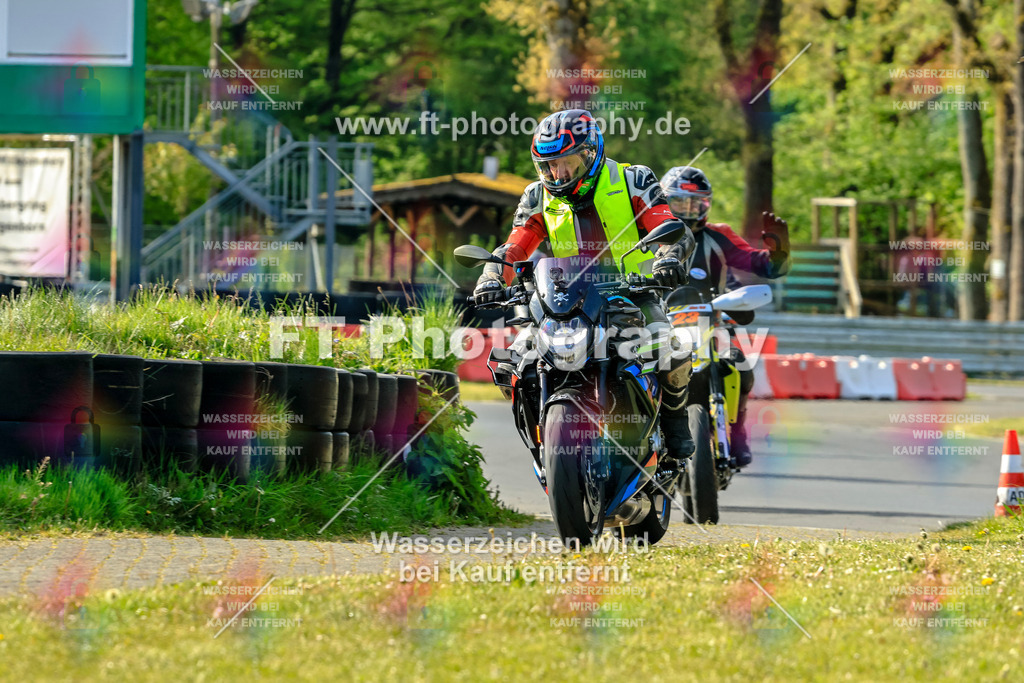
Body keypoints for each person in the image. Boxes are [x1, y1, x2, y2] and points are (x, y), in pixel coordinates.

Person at [474, 109, 697, 462]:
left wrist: (668, 258)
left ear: (591, 153)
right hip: (566, 301)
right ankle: (544, 441)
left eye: (567, 163)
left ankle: (674, 422)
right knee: (512, 363)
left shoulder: (633, 180)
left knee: (671, 351)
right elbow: (515, 246)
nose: (557, 174)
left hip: (634, 294)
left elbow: (668, 226)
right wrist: (491, 276)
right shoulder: (536, 196)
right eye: (548, 165)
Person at [659, 165, 791, 467]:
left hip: (711, 324)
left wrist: (779, 253)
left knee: (740, 364)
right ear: (665, 202)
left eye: (696, 204)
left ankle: (737, 430)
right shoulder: (649, 236)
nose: (688, 210)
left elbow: (763, 265)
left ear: (707, 205)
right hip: (661, 326)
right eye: (680, 203)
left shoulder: (719, 235)